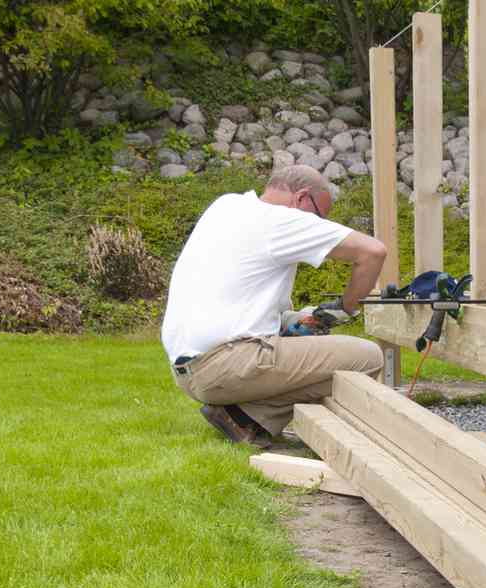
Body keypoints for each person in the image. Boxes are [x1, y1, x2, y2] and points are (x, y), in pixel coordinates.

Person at [161, 164, 388, 445]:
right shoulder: (281, 220)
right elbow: (373, 252)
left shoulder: (226, 206)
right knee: (368, 357)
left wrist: (305, 320)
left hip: (186, 370)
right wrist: (344, 308)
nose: (318, 224)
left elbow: (249, 301)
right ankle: (245, 416)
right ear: (302, 198)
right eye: (320, 217)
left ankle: (238, 413)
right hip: (223, 366)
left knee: (301, 323)